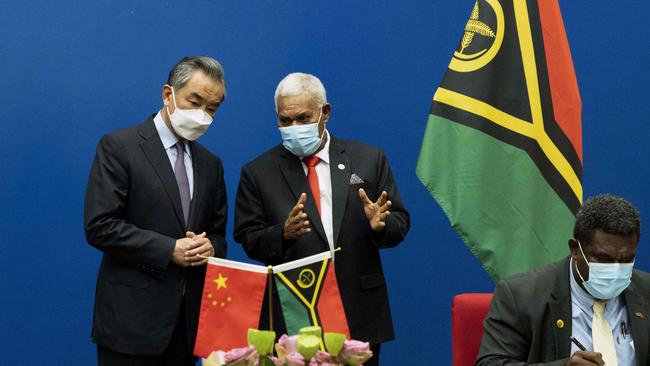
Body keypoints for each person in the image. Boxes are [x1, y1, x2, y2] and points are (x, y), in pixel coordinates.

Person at [234, 72, 410, 365]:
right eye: (285, 121)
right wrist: (282, 234)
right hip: (294, 316)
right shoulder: (257, 172)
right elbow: (248, 238)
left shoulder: (368, 158)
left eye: (303, 118)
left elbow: (399, 223)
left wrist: (381, 226)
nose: (294, 127)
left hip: (359, 310)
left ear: (325, 113)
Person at [84, 56, 228, 366]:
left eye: (212, 108)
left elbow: (218, 234)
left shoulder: (211, 164)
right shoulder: (119, 147)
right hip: (130, 324)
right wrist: (169, 249)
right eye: (195, 101)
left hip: (187, 328)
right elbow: (100, 225)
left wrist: (211, 247)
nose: (202, 114)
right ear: (168, 94)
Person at [476, 194, 649, 366]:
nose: (616, 269)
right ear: (575, 249)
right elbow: (489, 363)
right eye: (604, 259)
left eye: (626, 259)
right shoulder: (520, 296)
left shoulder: (646, 291)